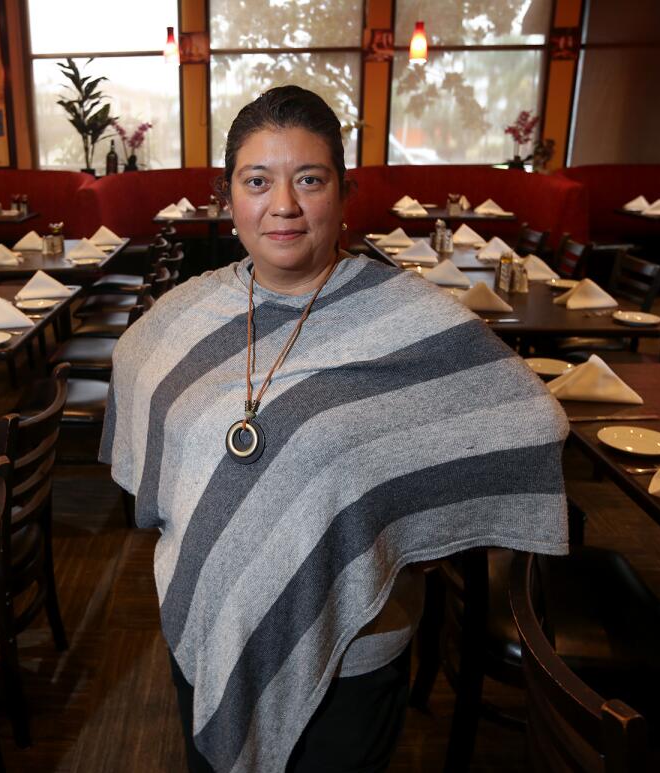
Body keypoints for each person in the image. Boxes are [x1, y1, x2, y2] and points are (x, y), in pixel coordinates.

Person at [102, 85, 568, 773]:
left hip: (350, 654)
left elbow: (530, 418)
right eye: (257, 180)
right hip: (206, 631)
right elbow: (131, 367)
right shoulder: (184, 314)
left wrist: (424, 521)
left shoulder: (407, 317)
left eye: (309, 180)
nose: (282, 204)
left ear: (343, 195)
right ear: (229, 197)